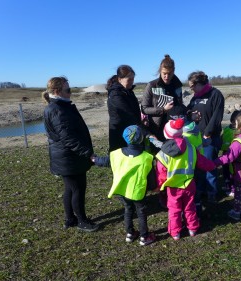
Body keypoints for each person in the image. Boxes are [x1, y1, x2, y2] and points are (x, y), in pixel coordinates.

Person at [42, 76, 100, 232]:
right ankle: (82, 221)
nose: (70, 92)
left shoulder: (59, 106)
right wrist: (88, 153)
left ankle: (70, 219)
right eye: (68, 90)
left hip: (66, 157)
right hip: (69, 157)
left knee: (69, 189)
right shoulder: (57, 110)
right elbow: (68, 138)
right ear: (57, 91)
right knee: (77, 189)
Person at [156, 119, 216, 240]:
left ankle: (175, 232)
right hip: (189, 184)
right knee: (190, 207)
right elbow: (202, 162)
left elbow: (161, 172)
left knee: (174, 210)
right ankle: (193, 229)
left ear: (166, 134)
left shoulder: (163, 153)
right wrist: (213, 165)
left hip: (173, 187)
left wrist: (160, 185)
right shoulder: (191, 148)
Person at [103, 125, 157, 246]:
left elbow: (105, 161)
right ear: (141, 139)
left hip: (122, 190)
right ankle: (144, 237)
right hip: (137, 191)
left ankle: (130, 233)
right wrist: (153, 187)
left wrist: (95, 159)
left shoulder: (116, 154)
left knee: (128, 209)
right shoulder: (147, 158)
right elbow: (151, 177)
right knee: (141, 212)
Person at [187, 71, 225, 203]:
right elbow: (188, 111)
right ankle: (200, 190)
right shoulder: (195, 97)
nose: (191, 89)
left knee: (209, 165)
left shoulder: (216, 95)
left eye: (192, 86)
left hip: (209, 137)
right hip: (196, 137)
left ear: (200, 83)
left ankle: (212, 192)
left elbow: (217, 117)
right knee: (198, 167)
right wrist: (190, 115)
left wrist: (207, 133)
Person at [141, 54, 183, 142]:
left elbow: (180, 105)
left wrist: (189, 112)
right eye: (164, 73)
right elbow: (144, 109)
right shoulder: (151, 86)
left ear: (174, 71)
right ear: (160, 71)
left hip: (174, 129)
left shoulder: (178, 86)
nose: (166, 77)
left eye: (169, 73)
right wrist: (163, 109)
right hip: (156, 129)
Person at [107, 65, 142, 152]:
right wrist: (145, 131)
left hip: (130, 130)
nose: (131, 82)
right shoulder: (115, 94)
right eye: (129, 79)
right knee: (120, 158)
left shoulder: (128, 91)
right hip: (120, 132)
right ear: (120, 79)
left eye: (132, 79)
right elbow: (128, 114)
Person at [221, 110, 241, 197]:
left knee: (232, 171)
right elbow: (222, 138)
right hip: (225, 153)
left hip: (234, 154)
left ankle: (233, 189)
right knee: (225, 171)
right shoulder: (226, 129)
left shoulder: (239, 132)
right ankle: (227, 185)